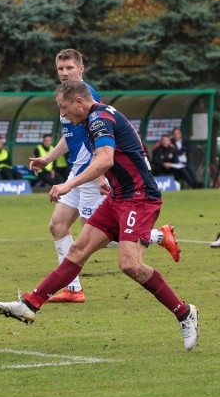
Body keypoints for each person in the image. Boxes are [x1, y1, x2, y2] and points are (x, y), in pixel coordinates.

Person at [0, 80, 199, 351]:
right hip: (119, 196)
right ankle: (29, 304)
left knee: (130, 265)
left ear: (79, 102)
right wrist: (50, 160)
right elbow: (99, 154)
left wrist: (69, 184)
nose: (63, 114)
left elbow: (105, 159)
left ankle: (184, 313)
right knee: (77, 250)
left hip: (139, 198)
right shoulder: (93, 118)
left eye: (63, 108)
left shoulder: (99, 119)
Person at [29, 49, 181, 303]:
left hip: (91, 172)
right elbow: (71, 135)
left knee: (94, 235)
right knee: (58, 226)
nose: (64, 73)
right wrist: (49, 159)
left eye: (69, 68)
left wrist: (101, 177)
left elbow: (101, 141)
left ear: (81, 69)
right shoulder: (64, 99)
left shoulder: (85, 97)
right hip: (78, 169)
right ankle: (73, 289)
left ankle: (156, 235)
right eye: (60, 69)